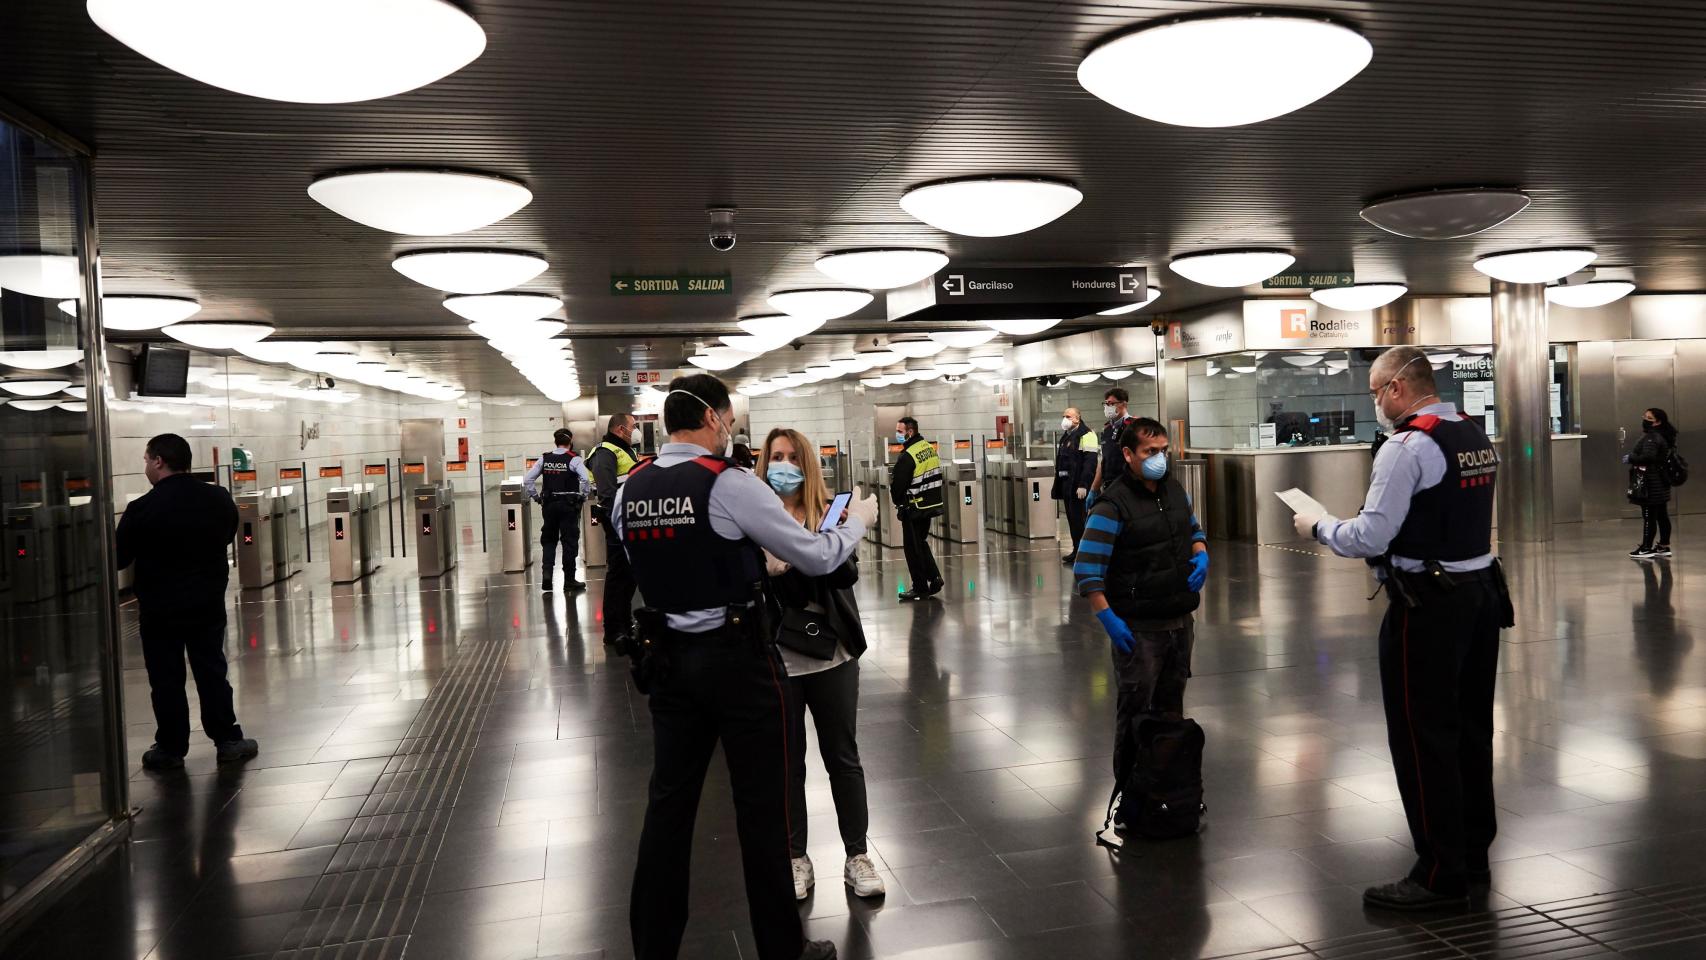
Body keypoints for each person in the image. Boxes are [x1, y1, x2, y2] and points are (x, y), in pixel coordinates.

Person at [612, 374, 876, 960]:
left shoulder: (630, 490)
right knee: (761, 809)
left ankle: (653, 947)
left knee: (668, 809)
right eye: (728, 421)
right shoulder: (728, 483)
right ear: (712, 418)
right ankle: (782, 950)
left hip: (668, 664)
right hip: (737, 662)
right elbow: (816, 554)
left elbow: (640, 563)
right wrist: (858, 521)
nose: (729, 431)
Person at [1290, 345, 1512, 911]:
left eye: (1375, 392)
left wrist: (1319, 526)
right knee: (1470, 730)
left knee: (1422, 735)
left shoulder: (1406, 445)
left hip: (1429, 606)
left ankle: (1439, 873)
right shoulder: (1472, 433)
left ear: (1396, 388)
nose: (1375, 403)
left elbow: (1370, 536)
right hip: (1481, 593)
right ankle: (1472, 854)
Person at [759, 427, 884, 902]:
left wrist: (827, 544)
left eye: (793, 457)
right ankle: (796, 857)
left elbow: (843, 573)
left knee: (843, 758)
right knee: (787, 765)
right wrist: (802, 560)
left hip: (833, 656)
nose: (784, 466)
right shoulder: (755, 517)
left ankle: (858, 855)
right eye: (776, 457)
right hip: (779, 661)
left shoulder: (830, 513)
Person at [1073, 418, 1208, 810]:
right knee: (1135, 713)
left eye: (1163, 450)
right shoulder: (1111, 505)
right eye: (1150, 452)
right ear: (1128, 455)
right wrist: (1108, 618)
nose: (1159, 459)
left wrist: (1201, 552)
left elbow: (1193, 530)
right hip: (1139, 629)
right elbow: (1087, 569)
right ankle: (1129, 798)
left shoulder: (1174, 490)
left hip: (1179, 622)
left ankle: (1167, 791)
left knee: (1170, 710)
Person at [116, 433, 257, 771]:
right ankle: (227, 740)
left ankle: (170, 748)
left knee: (165, 678)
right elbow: (227, 534)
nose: (146, 466)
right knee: (211, 670)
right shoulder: (218, 498)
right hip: (206, 603)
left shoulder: (141, 508)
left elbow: (119, 558)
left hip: (159, 609)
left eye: (146, 460)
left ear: (158, 461)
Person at [588, 412, 640, 644]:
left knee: (629, 576)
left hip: (630, 521)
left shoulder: (625, 450)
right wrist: (617, 523)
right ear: (620, 429)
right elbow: (607, 494)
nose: (636, 431)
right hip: (617, 523)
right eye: (633, 426)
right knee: (618, 575)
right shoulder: (604, 453)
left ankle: (624, 622)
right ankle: (613, 629)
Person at [523, 427, 591, 592]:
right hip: (569, 506)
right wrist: (583, 496)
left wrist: (536, 497)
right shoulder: (574, 459)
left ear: (555, 441)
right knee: (569, 541)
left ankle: (547, 576)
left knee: (549, 540)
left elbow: (528, 479)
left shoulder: (545, 458)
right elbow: (585, 479)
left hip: (549, 505)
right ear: (570, 441)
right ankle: (569, 581)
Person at [890, 416, 943, 601]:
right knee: (920, 542)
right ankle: (935, 577)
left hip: (914, 506)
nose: (897, 434)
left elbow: (898, 486)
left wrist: (900, 503)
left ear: (910, 432)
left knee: (912, 549)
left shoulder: (908, 455)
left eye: (900, 431)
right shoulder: (929, 448)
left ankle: (920, 588)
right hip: (929, 505)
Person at [1626, 407, 1677, 559]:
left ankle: (1646, 548)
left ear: (1658, 422)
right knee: (1661, 515)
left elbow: (1648, 457)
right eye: (1645, 416)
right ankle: (1663, 546)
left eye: (1649, 418)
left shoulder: (1652, 437)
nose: (1645, 420)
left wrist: (1631, 458)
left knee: (1649, 515)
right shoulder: (1663, 435)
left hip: (1650, 482)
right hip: (1661, 482)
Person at [1053, 406, 1100, 564]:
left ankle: (1085, 552)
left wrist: (1084, 484)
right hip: (1067, 485)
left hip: (1079, 485)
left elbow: (1090, 463)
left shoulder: (1087, 435)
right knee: (1072, 520)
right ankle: (1076, 549)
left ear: (1077, 418)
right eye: (1064, 416)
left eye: (1068, 416)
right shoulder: (1067, 436)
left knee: (1080, 520)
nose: (1064, 419)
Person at [1088, 387, 1138, 505]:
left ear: (1123, 404)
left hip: (1130, 488)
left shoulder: (1134, 426)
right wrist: (1094, 489)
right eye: (1105, 404)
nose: (1107, 407)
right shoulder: (1107, 429)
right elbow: (1104, 460)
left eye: (1111, 404)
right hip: (1109, 488)